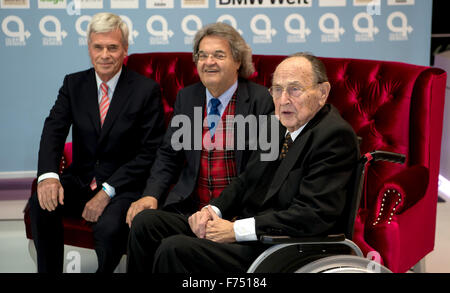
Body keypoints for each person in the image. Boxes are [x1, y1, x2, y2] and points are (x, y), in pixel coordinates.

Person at [126, 52, 360, 273]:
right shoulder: (275, 124)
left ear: (323, 92)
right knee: (147, 223)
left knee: (175, 248)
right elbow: (247, 179)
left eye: (294, 90)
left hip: (284, 247)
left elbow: (311, 215)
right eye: (277, 90)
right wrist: (212, 210)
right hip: (254, 233)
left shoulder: (333, 136)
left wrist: (235, 230)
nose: (283, 99)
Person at [28, 12, 165, 273]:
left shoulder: (145, 90)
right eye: (98, 47)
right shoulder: (73, 84)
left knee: (109, 228)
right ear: (89, 49)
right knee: (40, 203)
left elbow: (150, 152)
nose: (105, 55)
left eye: (113, 47)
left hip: (122, 187)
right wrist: (48, 176)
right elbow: (53, 131)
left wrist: (107, 191)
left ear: (125, 49)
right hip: (79, 181)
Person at [125, 22, 274, 225]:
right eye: (202, 55)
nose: (208, 62)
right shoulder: (187, 97)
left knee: (174, 248)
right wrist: (151, 194)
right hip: (189, 209)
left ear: (238, 61)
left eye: (219, 55)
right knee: (144, 223)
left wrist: (231, 214)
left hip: (237, 215)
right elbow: (169, 155)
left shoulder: (261, 100)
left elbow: (264, 166)